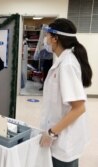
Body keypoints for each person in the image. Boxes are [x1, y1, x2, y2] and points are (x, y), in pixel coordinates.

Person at [39, 18, 92, 167]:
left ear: (55, 38)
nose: (46, 39)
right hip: (61, 136)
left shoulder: (67, 64)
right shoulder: (64, 60)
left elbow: (79, 108)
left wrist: (51, 133)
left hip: (63, 139)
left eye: (48, 35)